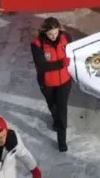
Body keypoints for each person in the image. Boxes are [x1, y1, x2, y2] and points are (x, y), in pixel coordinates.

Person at [31, 17, 72, 152]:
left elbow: (75, 53)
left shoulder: (67, 37)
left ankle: (62, 140)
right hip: (47, 83)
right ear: (44, 32)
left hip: (64, 82)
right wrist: (61, 64)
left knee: (62, 110)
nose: (54, 36)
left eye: (56, 33)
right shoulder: (37, 44)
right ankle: (55, 118)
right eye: (50, 34)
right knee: (52, 105)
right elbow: (41, 66)